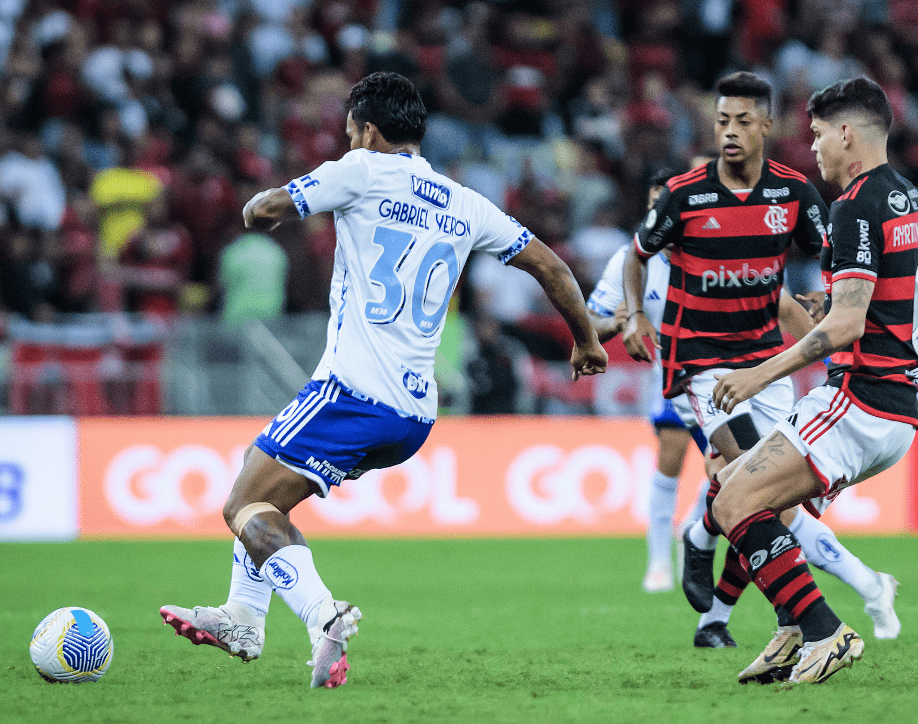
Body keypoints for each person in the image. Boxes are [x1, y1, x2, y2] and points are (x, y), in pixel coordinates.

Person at [159, 73, 608, 689]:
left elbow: (263, 211)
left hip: (351, 392)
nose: (350, 142)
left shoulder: (361, 170)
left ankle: (323, 617)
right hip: (414, 415)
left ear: (368, 131)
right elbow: (551, 266)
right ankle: (244, 615)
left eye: (351, 132)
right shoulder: (464, 202)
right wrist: (586, 341)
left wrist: (257, 204)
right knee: (265, 487)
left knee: (242, 506)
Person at [702, 77, 918, 686]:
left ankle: (824, 631)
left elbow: (849, 323)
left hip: (856, 402)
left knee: (731, 502)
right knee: (755, 498)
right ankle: (792, 630)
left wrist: (758, 374)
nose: (814, 147)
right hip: (895, 408)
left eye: (819, 134)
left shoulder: (854, 206)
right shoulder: (913, 199)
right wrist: (900, 348)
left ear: (847, 134)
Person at [624, 72, 899, 650]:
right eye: (722, 121)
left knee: (760, 494)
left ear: (767, 126)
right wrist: (635, 316)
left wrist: (827, 293)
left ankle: (706, 554)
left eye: (743, 121)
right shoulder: (685, 194)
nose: (729, 131)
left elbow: (830, 255)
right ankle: (829, 607)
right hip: (702, 365)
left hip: (766, 363)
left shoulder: (793, 194)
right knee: (753, 476)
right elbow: (637, 253)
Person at [587, 165, 707, 596]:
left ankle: (693, 526)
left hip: (725, 375)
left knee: (732, 471)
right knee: (670, 459)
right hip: (672, 378)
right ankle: (658, 564)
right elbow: (590, 323)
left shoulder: (711, 249)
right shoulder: (631, 259)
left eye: (667, 204)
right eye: (653, 205)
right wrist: (615, 322)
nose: (660, 214)